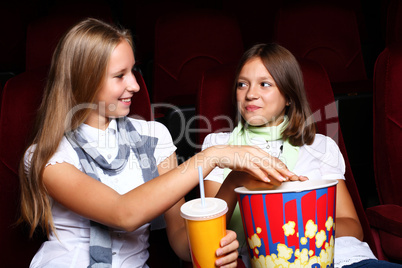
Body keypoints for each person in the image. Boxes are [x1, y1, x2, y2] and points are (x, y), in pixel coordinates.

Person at [18, 19, 295, 268]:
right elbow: (123, 213)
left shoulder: (154, 137)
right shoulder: (48, 155)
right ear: (84, 80)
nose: (136, 86)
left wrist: (235, 181)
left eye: (134, 71)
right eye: (120, 75)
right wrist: (212, 156)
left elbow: (182, 244)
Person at [201, 43, 402, 268]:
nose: (250, 94)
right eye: (242, 84)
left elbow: (353, 227)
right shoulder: (219, 147)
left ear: (289, 96)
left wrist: (299, 228)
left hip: (347, 259)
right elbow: (211, 234)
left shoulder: (320, 146)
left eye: (264, 84)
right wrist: (236, 179)